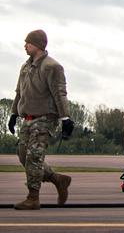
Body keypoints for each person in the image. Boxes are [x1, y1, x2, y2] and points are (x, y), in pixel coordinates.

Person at [7, 29, 74, 210]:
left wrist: (65, 117)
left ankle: (33, 197)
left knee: (34, 158)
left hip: (45, 118)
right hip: (27, 118)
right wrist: (13, 114)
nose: (25, 45)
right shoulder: (25, 67)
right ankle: (57, 179)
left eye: (28, 42)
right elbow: (19, 93)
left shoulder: (52, 67)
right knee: (23, 156)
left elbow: (60, 93)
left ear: (38, 45)